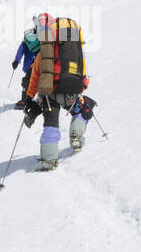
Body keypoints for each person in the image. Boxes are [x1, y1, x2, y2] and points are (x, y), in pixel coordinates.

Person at [22, 14, 94, 170]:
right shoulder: (74, 50)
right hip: (72, 90)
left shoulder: (45, 51)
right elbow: (83, 70)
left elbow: (35, 74)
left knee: (51, 124)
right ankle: (77, 134)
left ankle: (48, 160)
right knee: (79, 111)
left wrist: (29, 97)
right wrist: (82, 86)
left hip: (50, 93)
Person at [11, 23, 40, 108]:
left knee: (34, 81)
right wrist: (17, 60)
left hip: (39, 64)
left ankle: (28, 100)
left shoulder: (46, 36)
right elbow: (22, 47)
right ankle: (25, 100)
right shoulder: (30, 37)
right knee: (28, 81)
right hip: (30, 64)